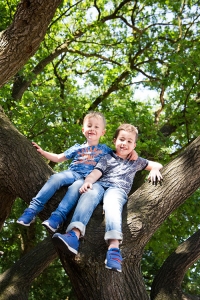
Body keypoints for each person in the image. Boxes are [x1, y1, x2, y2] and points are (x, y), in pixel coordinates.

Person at [52, 123, 163, 272]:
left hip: (117, 189)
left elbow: (158, 164)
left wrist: (155, 168)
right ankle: (74, 235)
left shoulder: (137, 161)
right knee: (88, 194)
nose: (125, 143)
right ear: (114, 140)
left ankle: (114, 249)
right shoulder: (106, 157)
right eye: (122, 139)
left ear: (134, 145)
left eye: (129, 141)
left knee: (112, 204)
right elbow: (96, 173)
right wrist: (88, 182)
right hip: (100, 184)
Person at [17, 111, 112, 232]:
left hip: (87, 180)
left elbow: (120, 157)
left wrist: (133, 154)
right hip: (73, 173)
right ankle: (32, 210)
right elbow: (58, 158)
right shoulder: (77, 147)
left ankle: (57, 218)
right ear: (83, 130)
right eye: (89, 126)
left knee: (75, 188)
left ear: (102, 132)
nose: (92, 129)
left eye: (96, 127)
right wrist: (43, 152)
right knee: (56, 178)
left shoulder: (106, 150)